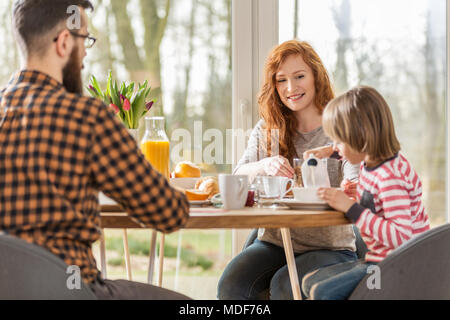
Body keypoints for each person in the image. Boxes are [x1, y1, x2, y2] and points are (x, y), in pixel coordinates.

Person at [1, 0, 190, 300]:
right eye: (84, 40)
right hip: (74, 291)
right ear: (64, 42)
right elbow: (168, 213)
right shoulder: (86, 117)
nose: (86, 52)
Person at [217, 40, 360, 300]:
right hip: (274, 243)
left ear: (317, 76)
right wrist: (264, 165)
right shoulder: (267, 128)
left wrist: (351, 187)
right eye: (281, 80)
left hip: (331, 248)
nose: (291, 88)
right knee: (231, 286)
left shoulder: (341, 127)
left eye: (299, 76)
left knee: (285, 285)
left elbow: (357, 184)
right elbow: (238, 173)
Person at [301, 86, 431, 300]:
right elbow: (379, 204)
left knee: (321, 292)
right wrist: (329, 152)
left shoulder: (390, 176)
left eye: (339, 141)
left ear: (360, 137)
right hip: (381, 259)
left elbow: (402, 237)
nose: (337, 147)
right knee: (309, 283)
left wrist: (352, 208)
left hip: (397, 267)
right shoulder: (372, 161)